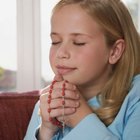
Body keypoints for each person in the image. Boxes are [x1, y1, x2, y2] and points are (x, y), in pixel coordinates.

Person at [24, 0, 140, 139]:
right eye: (55, 41)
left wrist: (81, 118)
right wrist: (45, 131)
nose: (61, 52)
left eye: (79, 43)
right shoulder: (48, 102)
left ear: (114, 51)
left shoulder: (135, 98)